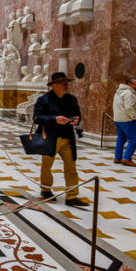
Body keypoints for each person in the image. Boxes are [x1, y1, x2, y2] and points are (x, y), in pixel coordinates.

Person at [33, 72, 88, 207]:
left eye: (66, 83)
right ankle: (45, 190)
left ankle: (71, 195)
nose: (67, 85)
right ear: (55, 85)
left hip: (67, 137)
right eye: (64, 83)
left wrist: (76, 120)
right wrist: (54, 119)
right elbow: (36, 118)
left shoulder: (71, 99)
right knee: (47, 166)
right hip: (50, 137)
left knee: (71, 166)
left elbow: (77, 115)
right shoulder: (44, 100)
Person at [112, 76, 136, 167]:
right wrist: (133, 117)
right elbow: (129, 107)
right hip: (127, 119)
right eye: (135, 85)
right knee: (134, 139)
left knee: (121, 139)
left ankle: (117, 157)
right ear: (129, 84)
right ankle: (126, 158)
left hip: (118, 119)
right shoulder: (129, 93)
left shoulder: (119, 92)